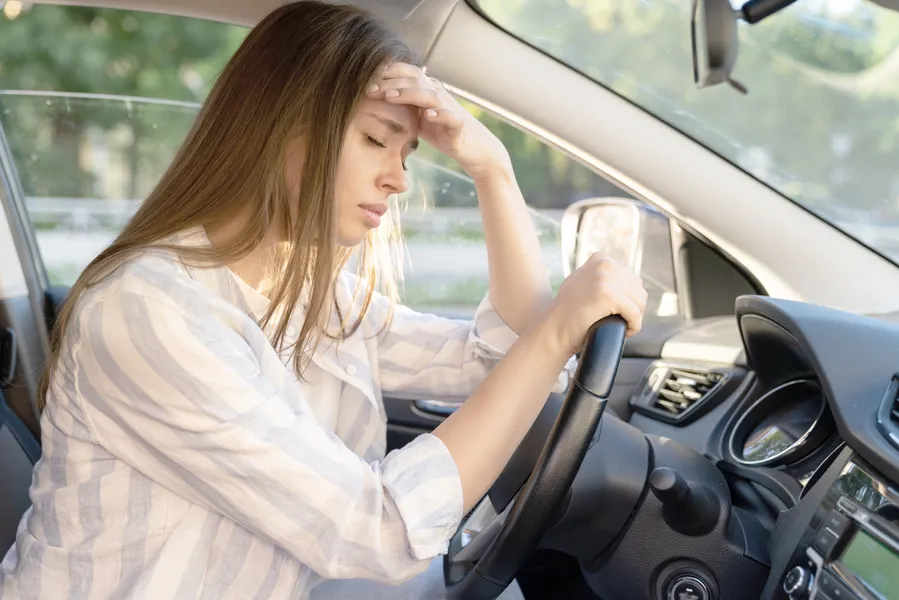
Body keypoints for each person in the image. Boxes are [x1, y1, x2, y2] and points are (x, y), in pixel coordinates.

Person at [0, 2, 647, 599]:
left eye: (407, 152)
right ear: (285, 128)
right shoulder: (146, 311)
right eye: (375, 139)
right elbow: (379, 530)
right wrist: (557, 328)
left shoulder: (308, 292)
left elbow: (498, 360)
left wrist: (493, 170)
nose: (397, 177)